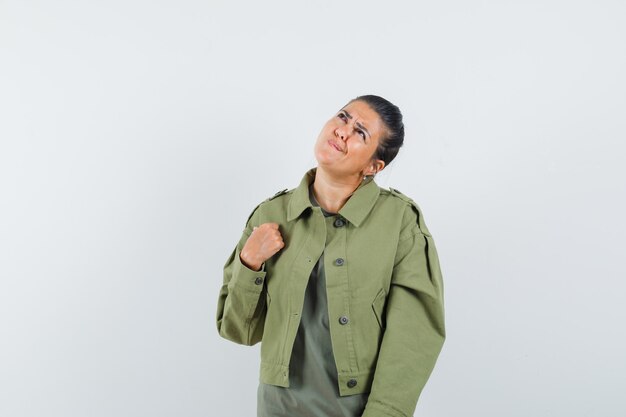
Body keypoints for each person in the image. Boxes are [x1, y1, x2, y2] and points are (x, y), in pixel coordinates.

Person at [216, 95, 446, 417]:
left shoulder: (400, 223)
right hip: (277, 409)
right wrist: (249, 264)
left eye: (360, 132)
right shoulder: (270, 215)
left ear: (373, 166)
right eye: (342, 117)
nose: (343, 131)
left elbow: (415, 335)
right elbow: (238, 330)